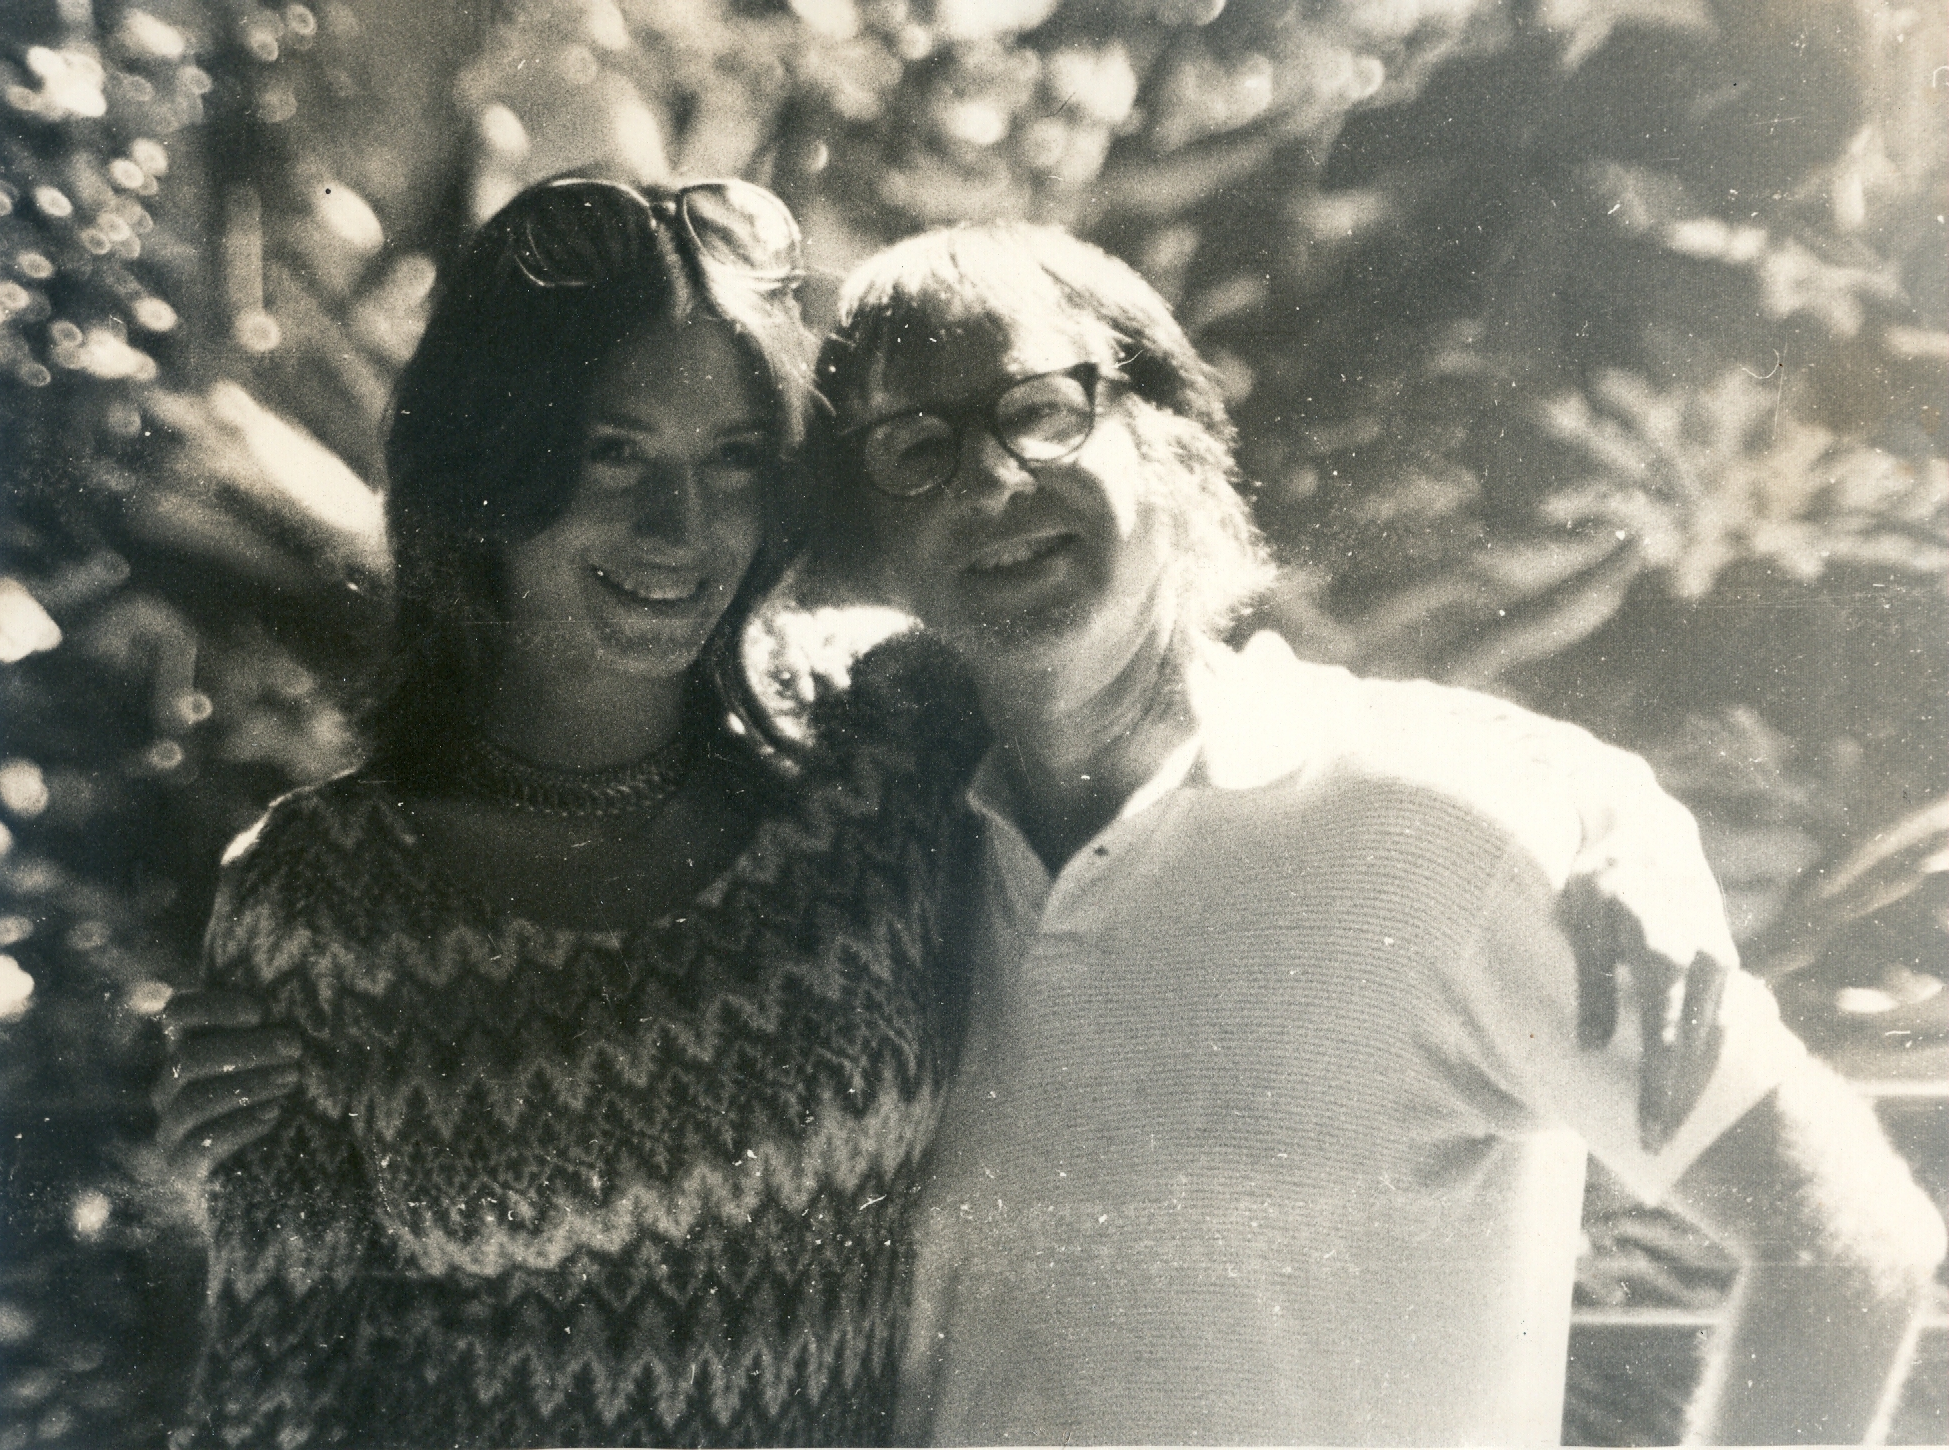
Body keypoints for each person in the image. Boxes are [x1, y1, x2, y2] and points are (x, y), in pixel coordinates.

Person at [806, 222, 1947, 1445]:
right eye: (914, 450)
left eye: (1042, 411)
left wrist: (1621, 811)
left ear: (1176, 438)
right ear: (876, 542)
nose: (987, 480)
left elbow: (1846, 1240)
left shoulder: (1435, 825)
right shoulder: (888, 840)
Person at [154, 175, 983, 1449]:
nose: (683, 528)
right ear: (493, 468)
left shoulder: (888, 729)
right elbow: (272, 1397)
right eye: (616, 453)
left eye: (733, 459)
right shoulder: (322, 898)